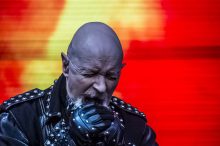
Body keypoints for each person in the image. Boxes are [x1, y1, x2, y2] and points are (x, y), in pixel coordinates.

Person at [0, 22, 158, 146]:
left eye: (111, 76)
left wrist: (119, 142)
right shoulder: (18, 119)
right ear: (66, 66)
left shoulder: (135, 126)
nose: (102, 87)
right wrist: (67, 139)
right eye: (90, 74)